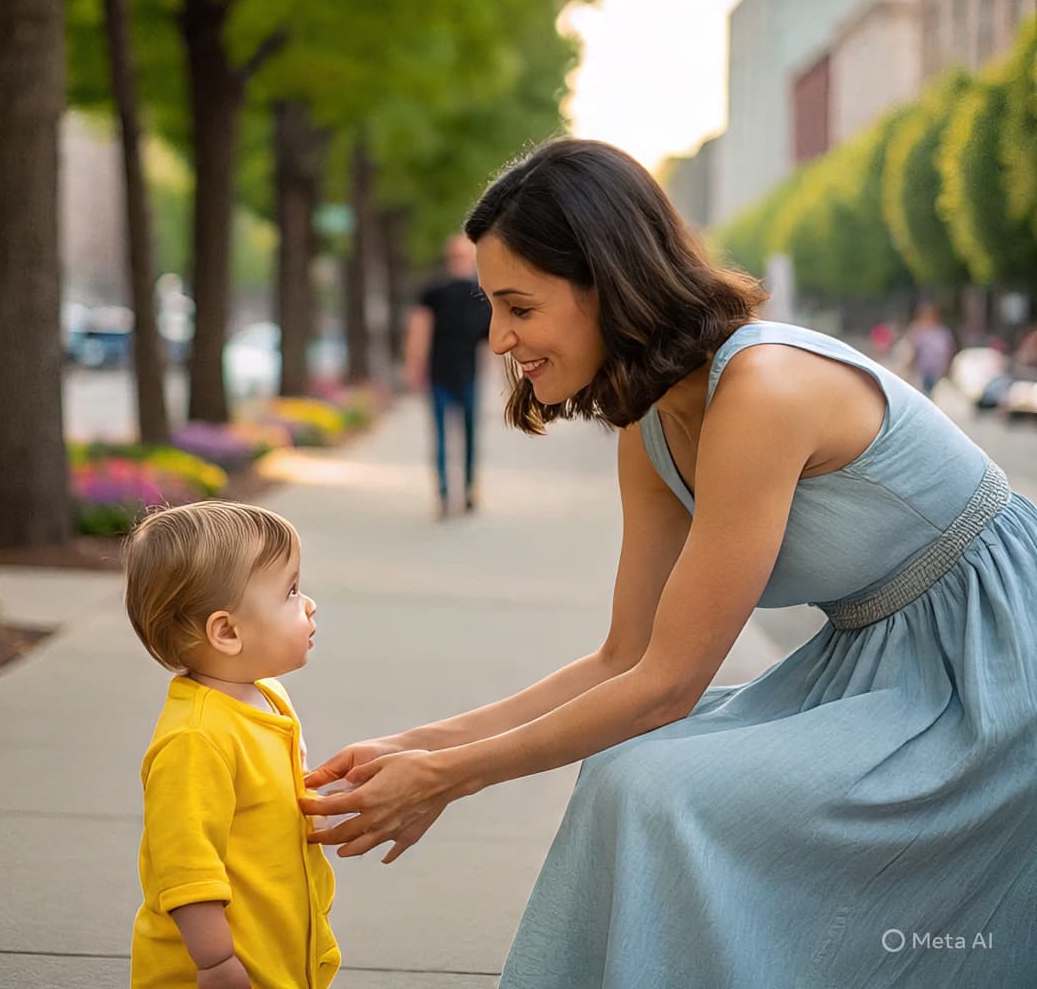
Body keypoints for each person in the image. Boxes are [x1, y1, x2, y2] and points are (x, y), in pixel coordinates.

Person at [302, 138, 1037, 986]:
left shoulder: (764, 389)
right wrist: (420, 744)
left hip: (996, 666)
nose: (498, 337)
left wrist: (449, 777)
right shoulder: (649, 426)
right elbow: (626, 656)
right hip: (880, 670)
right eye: (491, 308)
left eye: (519, 307)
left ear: (606, 284)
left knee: (659, 790)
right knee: (626, 770)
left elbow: (669, 686)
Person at [123, 501, 340, 989]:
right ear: (226, 632)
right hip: (221, 969)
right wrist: (216, 963)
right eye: (290, 591)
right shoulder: (195, 739)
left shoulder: (268, 697)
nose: (309, 604)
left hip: (276, 952)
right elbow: (186, 868)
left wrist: (313, 806)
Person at [405, 233, 492, 517]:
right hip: (447, 373)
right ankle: (455, 490)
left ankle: (456, 490)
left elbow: (490, 340)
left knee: (455, 435)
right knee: (455, 434)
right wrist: (415, 366)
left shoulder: (470, 292)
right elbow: (420, 330)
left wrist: (415, 366)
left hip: (460, 373)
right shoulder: (467, 292)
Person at [903, 301, 956, 394]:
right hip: (923, 371)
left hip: (938, 371)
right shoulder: (919, 331)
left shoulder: (943, 332)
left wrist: (947, 368)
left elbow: (949, 351)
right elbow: (913, 350)